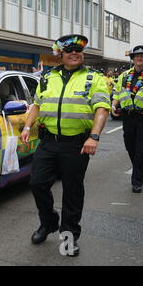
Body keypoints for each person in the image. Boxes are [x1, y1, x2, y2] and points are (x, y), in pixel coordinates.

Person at [20, 34, 111, 257]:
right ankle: (49, 222)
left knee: (72, 192)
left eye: (78, 50)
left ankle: (69, 236)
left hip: (76, 145)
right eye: (69, 50)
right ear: (60, 54)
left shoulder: (94, 78)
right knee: (37, 183)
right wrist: (26, 127)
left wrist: (94, 136)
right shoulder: (47, 78)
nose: (74, 53)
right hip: (48, 141)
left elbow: (102, 107)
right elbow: (37, 104)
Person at [111, 45, 143, 194]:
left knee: (139, 150)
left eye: (142, 56)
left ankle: (136, 181)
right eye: (137, 56)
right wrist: (113, 105)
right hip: (128, 116)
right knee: (130, 146)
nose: (140, 58)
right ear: (133, 59)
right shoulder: (124, 76)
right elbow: (118, 92)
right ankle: (140, 170)